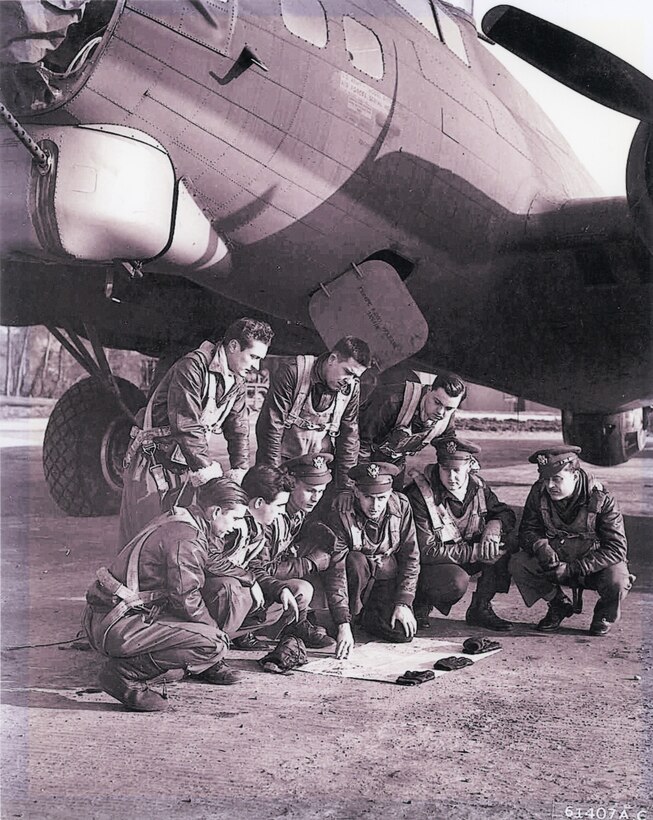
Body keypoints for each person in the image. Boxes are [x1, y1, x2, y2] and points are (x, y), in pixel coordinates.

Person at [83, 478, 249, 712]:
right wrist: (215, 636)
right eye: (235, 518)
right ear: (216, 512)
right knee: (213, 644)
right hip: (117, 623)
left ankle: (183, 663)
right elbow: (186, 600)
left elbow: (211, 561)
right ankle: (123, 675)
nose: (236, 526)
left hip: (114, 615)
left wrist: (252, 580)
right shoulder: (186, 538)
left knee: (227, 593)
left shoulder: (185, 520)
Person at [119, 318, 274, 544]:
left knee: (179, 538)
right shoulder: (192, 367)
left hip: (187, 465)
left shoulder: (237, 381)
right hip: (153, 462)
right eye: (254, 357)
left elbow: (238, 429)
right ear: (232, 346)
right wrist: (208, 474)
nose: (256, 366)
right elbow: (186, 425)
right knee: (143, 538)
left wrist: (239, 472)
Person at [510, 446, 632, 636]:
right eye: (546, 479)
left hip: (592, 565)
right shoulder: (539, 492)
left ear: (575, 476)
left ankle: (603, 614)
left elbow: (617, 549)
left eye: (557, 479)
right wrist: (540, 546)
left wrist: (573, 568)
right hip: (555, 560)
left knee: (617, 580)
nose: (550, 485)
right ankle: (558, 604)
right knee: (518, 562)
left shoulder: (602, 499)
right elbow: (527, 530)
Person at [201, 465, 326, 649]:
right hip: (210, 597)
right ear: (259, 503)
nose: (282, 512)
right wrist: (250, 581)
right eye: (279, 506)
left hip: (232, 594)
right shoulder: (231, 525)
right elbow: (209, 559)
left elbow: (255, 566)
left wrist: (279, 589)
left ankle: (235, 634)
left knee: (288, 596)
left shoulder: (257, 527)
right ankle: (211, 643)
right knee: (231, 588)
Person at [404, 438, 516, 632]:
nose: (451, 477)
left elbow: (504, 512)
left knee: (505, 545)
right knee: (456, 581)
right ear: (438, 466)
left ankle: (480, 607)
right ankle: (420, 603)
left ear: (469, 466)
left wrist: (494, 525)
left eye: (457, 470)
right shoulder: (418, 495)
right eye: (445, 469)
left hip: (462, 551)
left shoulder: (478, 486)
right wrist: (474, 553)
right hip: (430, 563)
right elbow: (425, 550)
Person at [255, 336, 372, 494]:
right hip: (283, 465)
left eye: (355, 377)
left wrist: (345, 488)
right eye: (347, 372)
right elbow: (271, 426)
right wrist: (275, 481)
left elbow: (349, 438)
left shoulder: (351, 388)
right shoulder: (293, 372)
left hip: (319, 469)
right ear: (332, 359)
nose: (349, 381)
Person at [247, 453, 341, 650]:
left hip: (266, 577)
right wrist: (308, 563)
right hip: (255, 582)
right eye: (309, 490)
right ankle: (283, 625)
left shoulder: (298, 511)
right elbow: (260, 568)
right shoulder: (270, 514)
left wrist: (312, 528)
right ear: (292, 483)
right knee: (302, 587)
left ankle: (305, 617)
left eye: (321, 491)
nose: (316, 498)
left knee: (329, 547)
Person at [326, 462, 420, 651]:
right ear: (356, 492)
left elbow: (411, 556)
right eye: (368, 497)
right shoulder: (341, 511)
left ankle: (370, 616)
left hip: (385, 578)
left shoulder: (401, 505)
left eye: (381, 498)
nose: (375, 505)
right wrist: (342, 622)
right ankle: (350, 618)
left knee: (402, 633)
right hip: (356, 577)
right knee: (354, 560)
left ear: (390, 492)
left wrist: (404, 602)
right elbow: (336, 569)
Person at [359, 368, 466, 488]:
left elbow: (448, 448)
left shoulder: (446, 418)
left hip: (395, 462)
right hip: (363, 455)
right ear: (429, 389)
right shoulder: (393, 401)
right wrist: (361, 478)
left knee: (396, 502)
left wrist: (464, 466)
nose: (441, 412)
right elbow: (361, 441)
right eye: (437, 402)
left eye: (449, 408)